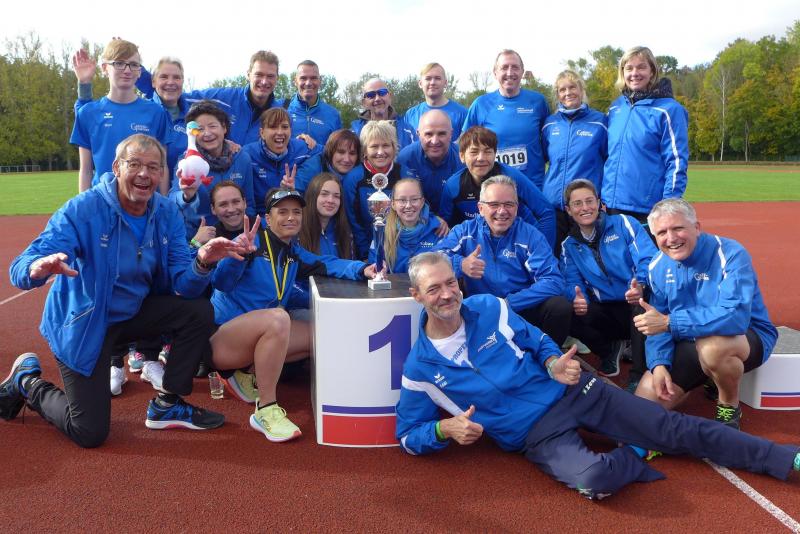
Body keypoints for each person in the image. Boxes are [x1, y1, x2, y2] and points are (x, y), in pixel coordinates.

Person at [395, 252, 800, 500]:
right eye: (434, 289)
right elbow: (408, 436)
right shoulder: (420, 369)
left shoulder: (489, 306)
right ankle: (637, 450)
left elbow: (538, 341)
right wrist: (443, 430)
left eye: (451, 283)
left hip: (573, 390)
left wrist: (553, 363)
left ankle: (783, 457)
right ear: (416, 295)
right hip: (535, 434)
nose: (447, 294)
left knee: (673, 428)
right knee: (594, 481)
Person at [1, 134, 249, 448]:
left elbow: (183, 285)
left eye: (153, 167)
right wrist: (35, 269)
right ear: (117, 167)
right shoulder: (84, 209)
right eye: (135, 164)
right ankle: (26, 382)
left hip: (132, 314)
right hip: (86, 324)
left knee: (198, 311)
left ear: (162, 174)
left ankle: (168, 404)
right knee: (89, 432)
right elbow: (22, 264)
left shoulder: (166, 213)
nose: (144, 173)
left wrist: (201, 262)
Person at [208, 187, 379, 442]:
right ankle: (266, 409)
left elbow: (327, 263)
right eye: (283, 212)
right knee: (279, 318)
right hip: (222, 340)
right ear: (268, 219)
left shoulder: (292, 251)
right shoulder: (250, 244)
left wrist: (362, 269)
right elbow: (221, 283)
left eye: (296, 212)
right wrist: (236, 257)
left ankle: (245, 374)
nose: (291, 217)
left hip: (258, 337)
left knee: (321, 335)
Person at [633, 199, 778, 430]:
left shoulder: (731, 253)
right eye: (662, 232)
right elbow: (657, 321)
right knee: (642, 411)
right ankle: (707, 376)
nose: (671, 238)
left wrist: (670, 322)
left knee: (712, 348)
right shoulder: (656, 266)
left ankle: (728, 406)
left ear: (697, 227)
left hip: (743, 337)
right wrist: (659, 363)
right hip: (689, 340)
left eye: (678, 228)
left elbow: (735, 317)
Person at [434, 176, 571, 346]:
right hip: (481, 311)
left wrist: (508, 303)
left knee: (559, 307)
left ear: (517, 208)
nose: (502, 211)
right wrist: (460, 264)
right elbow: (433, 259)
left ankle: (546, 355)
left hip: (521, 308)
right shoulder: (465, 231)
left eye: (509, 204)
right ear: (481, 208)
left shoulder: (530, 235)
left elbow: (553, 280)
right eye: (494, 204)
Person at [560, 180, 657, 388]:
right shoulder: (569, 245)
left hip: (634, 300)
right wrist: (578, 299)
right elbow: (572, 280)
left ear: (599, 203)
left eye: (589, 201)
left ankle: (638, 374)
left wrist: (640, 284)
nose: (585, 208)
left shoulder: (624, 223)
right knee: (566, 312)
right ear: (568, 210)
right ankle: (609, 351)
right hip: (607, 310)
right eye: (577, 203)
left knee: (640, 302)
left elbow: (648, 258)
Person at [601, 46, 689, 226]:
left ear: (652, 71)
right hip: (612, 205)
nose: (635, 73)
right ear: (623, 73)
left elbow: (676, 161)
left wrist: (669, 204)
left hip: (648, 209)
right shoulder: (616, 108)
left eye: (641, 67)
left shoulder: (669, 109)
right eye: (629, 68)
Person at [70, 39, 171, 193]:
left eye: (133, 64)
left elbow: (162, 166)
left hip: (146, 201)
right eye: (119, 63)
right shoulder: (88, 113)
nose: (127, 70)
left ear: (139, 71)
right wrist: (84, 204)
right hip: (103, 200)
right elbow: (85, 170)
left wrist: (163, 203)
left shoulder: (156, 112)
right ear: (105, 68)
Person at [439, 126, 555, 247]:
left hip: (520, 242)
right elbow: (444, 225)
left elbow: (546, 212)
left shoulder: (512, 177)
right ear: (462, 156)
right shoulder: (453, 186)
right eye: (474, 152)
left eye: (488, 151)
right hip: (481, 245)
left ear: (495, 154)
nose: (481, 158)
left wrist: (543, 250)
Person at [170, 100, 256, 242]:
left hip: (237, 236)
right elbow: (172, 201)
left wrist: (247, 233)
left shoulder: (242, 158)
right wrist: (186, 195)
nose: (207, 133)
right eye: (200, 129)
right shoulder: (187, 162)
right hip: (200, 236)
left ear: (224, 128)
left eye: (212, 126)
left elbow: (250, 204)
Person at [462, 50, 550, 188]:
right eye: (504, 67)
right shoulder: (481, 104)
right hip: (494, 187)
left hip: (533, 185)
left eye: (515, 67)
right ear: (495, 72)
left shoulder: (538, 101)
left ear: (522, 72)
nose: (510, 73)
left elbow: (548, 141)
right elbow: (464, 145)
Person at [541, 70, 608, 250]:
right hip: (554, 207)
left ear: (581, 90)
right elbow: (544, 158)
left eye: (572, 87)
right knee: (554, 256)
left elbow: (609, 161)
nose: (568, 92)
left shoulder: (600, 122)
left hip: (584, 207)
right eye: (562, 89)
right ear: (557, 95)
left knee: (586, 257)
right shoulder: (549, 124)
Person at [343, 120, 408, 259]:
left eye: (386, 145)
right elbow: (353, 221)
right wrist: (365, 254)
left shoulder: (405, 174)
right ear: (365, 151)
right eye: (374, 146)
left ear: (394, 147)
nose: (380, 152)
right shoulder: (353, 178)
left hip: (401, 248)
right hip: (366, 250)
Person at [242, 108, 321, 217]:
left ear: (291, 131)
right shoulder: (247, 154)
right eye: (273, 127)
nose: (279, 132)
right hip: (261, 219)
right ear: (262, 133)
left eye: (284, 127)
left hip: (294, 218)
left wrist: (298, 183)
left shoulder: (302, 148)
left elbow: (330, 153)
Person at [368, 178, 441, 273]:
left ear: (422, 202)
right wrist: (378, 268)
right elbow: (373, 267)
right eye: (402, 200)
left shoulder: (438, 230)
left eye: (414, 199)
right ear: (393, 204)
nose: (408, 205)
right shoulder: (382, 231)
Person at [397, 110, 464, 212]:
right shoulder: (405, 159)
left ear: (451, 134)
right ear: (418, 134)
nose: (435, 141)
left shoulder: (463, 159)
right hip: (417, 217)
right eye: (428, 134)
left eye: (441, 134)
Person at [403, 63, 468, 141]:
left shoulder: (462, 114)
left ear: (445, 83)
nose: (432, 82)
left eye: (437, 78)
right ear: (420, 83)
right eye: (428, 79)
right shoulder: (410, 115)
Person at [286, 60, 342, 146]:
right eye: (303, 78)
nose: (308, 83)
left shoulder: (333, 114)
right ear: (295, 81)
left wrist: (316, 148)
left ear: (320, 81)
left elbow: (337, 150)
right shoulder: (282, 108)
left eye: (313, 78)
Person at [299, 172, 353, 259]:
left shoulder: (344, 232)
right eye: (324, 194)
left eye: (336, 196)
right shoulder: (297, 231)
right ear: (312, 196)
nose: (330, 200)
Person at [350, 78, 414, 150]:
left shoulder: (408, 131)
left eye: (382, 92)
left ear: (390, 97)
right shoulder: (354, 133)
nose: (377, 98)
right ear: (364, 102)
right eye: (371, 95)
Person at [295, 129, 361, 194]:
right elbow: (294, 193)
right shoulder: (313, 168)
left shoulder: (360, 172)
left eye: (352, 153)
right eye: (341, 152)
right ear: (330, 152)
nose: (347, 159)